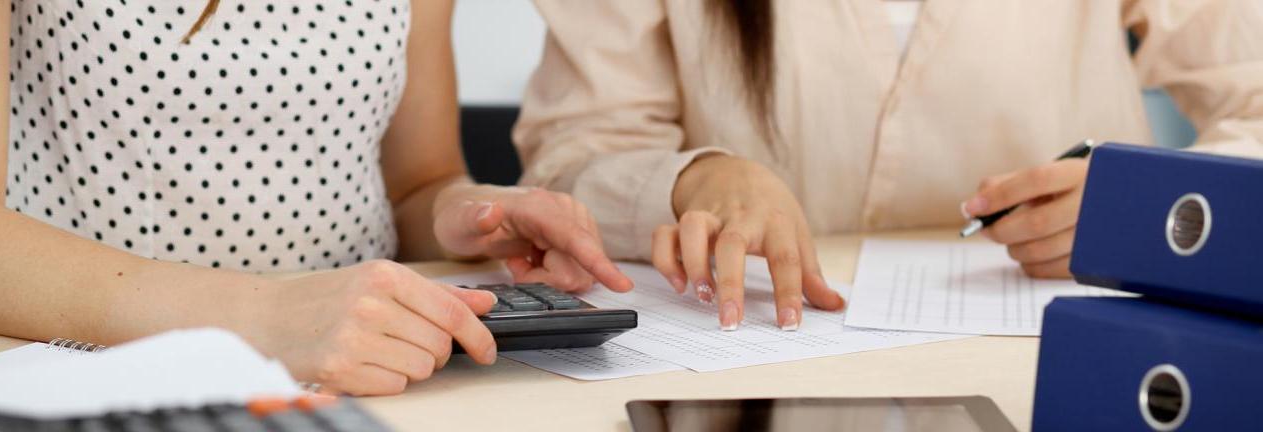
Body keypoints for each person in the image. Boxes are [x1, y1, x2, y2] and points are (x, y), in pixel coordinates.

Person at [0, 0, 631, 395]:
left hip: (362, 371)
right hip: (93, 372)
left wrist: (471, 214)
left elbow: (418, 181)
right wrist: (262, 316)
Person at [514, 0, 1263, 331]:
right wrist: (694, 178)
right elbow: (568, 157)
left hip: (1059, 343)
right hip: (760, 366)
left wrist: (1142, 205)